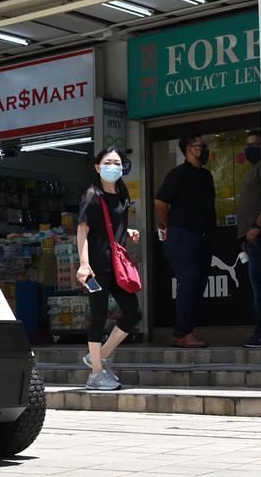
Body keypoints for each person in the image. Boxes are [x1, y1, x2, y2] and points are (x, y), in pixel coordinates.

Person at [77, 147, 142, 390]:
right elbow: (82, 230)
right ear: (98, 167)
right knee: (99, 316)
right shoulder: (91, 195)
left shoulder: (122, 193)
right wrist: (84, 264)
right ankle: (95, 374)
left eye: (117, 162)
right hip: (96, 268)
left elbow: (113, 225)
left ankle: (99, 356)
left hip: (116, 267)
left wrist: (128, 231)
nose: (114, 166)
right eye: (108, 162)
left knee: (134, 313)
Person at [155, 133, 215, 348]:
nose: (205, 149)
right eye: (202, 146)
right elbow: (160, 202)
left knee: (197, 285)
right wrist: (165, 230)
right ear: (190, 149)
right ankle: (182, 333)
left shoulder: (206, 175)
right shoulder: (178, 174)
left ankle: (188, 329)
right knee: (188, 282)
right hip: (182, 235)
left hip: (202, 236)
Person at [237, 130, 261, 348]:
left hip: (259, 236)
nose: (250, 148)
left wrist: (257, 226)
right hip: (253, 239)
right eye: (247, 145)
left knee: (260, 285)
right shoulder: (253, 169)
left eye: (255, 144)